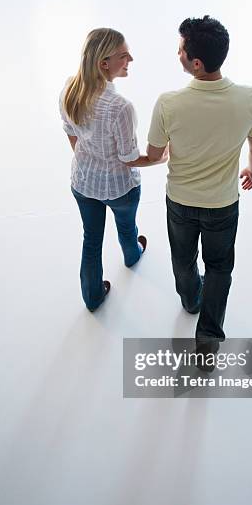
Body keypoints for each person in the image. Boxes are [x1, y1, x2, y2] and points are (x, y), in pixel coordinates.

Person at [129, 15, 252, 358]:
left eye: (180, 50)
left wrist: (137, 160)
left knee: (183, 258)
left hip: (180, 201)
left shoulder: (169, 103)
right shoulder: (250, 98)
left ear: (196, 63)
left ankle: (191, 301)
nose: (177, 54)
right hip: (223, 203)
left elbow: (156, 154)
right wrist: (251, 167)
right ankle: (208, 340)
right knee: (219, 267)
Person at [59, 28, 168, 312]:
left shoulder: (69, 90)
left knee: (91, 240)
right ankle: (133, 256)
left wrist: (90, 161)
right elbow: (130, 158)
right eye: (124, 55)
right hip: (121, 188)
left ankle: (92, 297)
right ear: (104, 63)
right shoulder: (120, 107)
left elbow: (71, 133)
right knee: (127, 226)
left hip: (82, 184)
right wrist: (161, 157)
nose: (130, 58)